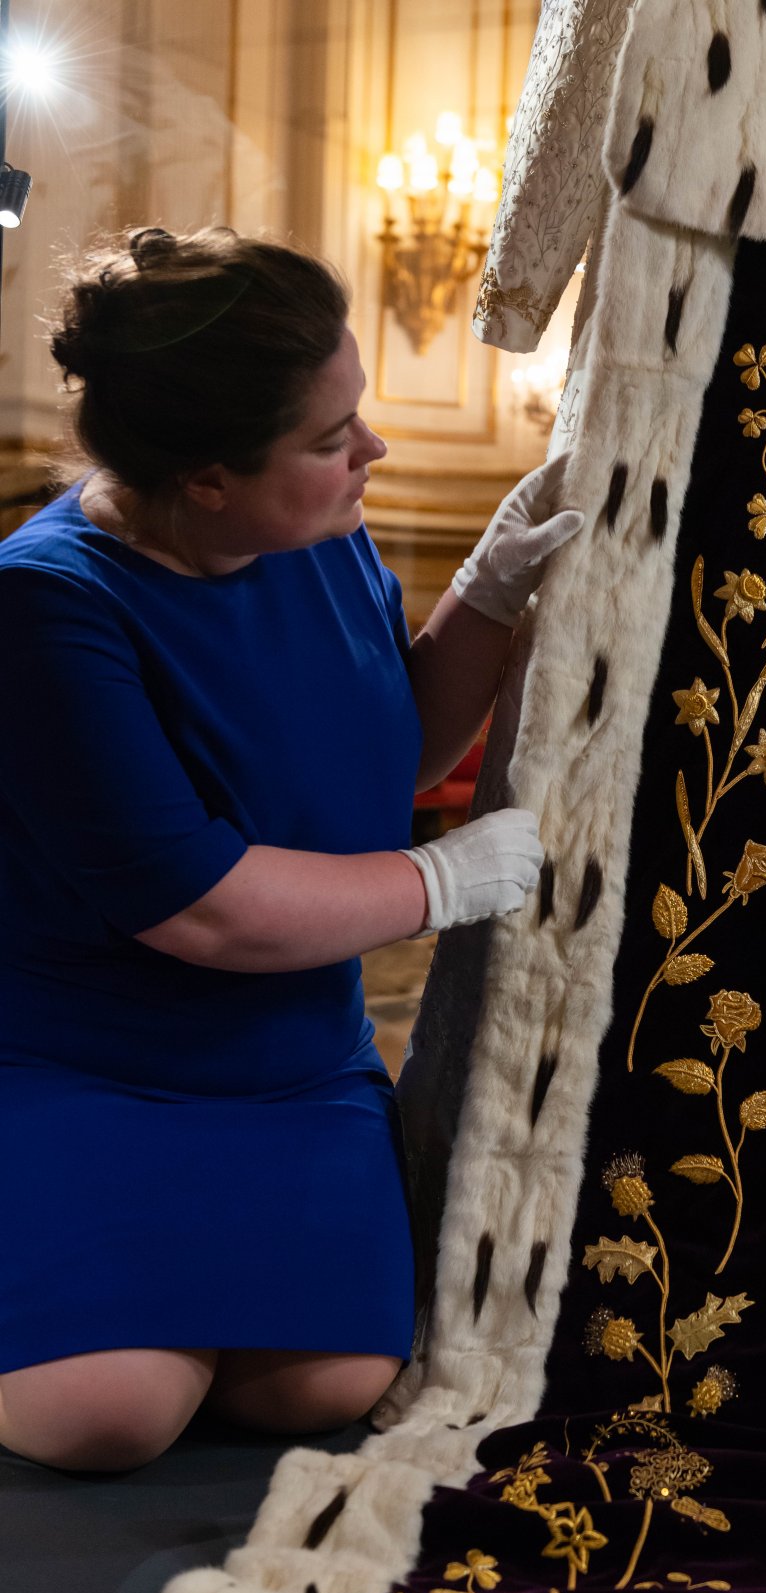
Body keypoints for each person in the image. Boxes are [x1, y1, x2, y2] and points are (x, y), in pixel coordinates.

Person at [0, 225, 583, 1475]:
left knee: (326, 1386)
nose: (374, 450)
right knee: (109, 1420)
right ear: (209, 476)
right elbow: (198, 907)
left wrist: (486, 594)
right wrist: (445, 881)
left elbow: (393, 755)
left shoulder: (310, 537)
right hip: (93, 1068)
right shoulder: (46, 603)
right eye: (332, 439)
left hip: (291, 1071)